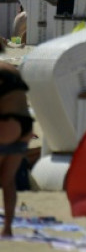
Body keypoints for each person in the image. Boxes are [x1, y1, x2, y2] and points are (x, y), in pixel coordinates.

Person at [0, 62, 33, 237]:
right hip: (26, 126)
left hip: (7, 123)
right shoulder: (11, 68)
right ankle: (7, 229)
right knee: (8, 180)